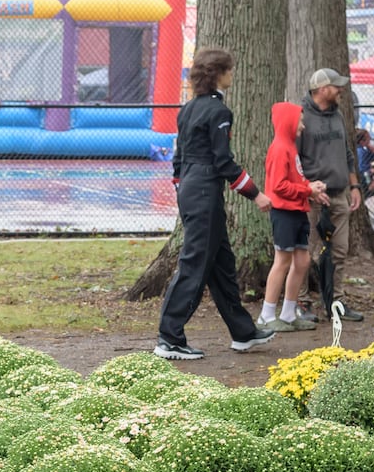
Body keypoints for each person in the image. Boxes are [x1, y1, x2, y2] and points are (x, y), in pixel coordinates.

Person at [154, 48, 277, 360]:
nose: (232, 75)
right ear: (219, 74)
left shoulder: (188, 109)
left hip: (191, 190)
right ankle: (169, 337)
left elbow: (178, 160)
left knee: (221, 264)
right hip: (206, 192)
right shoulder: (219, 112)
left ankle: (243, 332)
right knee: (195, 263)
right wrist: (256, 193)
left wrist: (185, 190)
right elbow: (223, 162)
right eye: (229, 70)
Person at [296, 68, 363, 322]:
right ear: (322, 89)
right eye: (336, 86)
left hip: (339, 194)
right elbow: (295, 160)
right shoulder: (301, 116)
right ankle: (301, 301)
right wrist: (308, 188)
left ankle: (336, 301)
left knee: (340, 250)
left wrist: (355, 187)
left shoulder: (337, 116)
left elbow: (347, 154)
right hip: (311, 199)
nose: (340, 90)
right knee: (305, 251)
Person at [257, 102, 326, 332]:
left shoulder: (290, 147)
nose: (303, 126)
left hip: (297, 211)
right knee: (283, 261)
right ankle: (267, 314)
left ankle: (287, 313)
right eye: (300, 120)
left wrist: (311, 188)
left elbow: (295, 180)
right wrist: (307, 191)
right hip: (284, 212)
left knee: (302, 261)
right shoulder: (279, 149)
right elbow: (278, 186)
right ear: (289, 121)